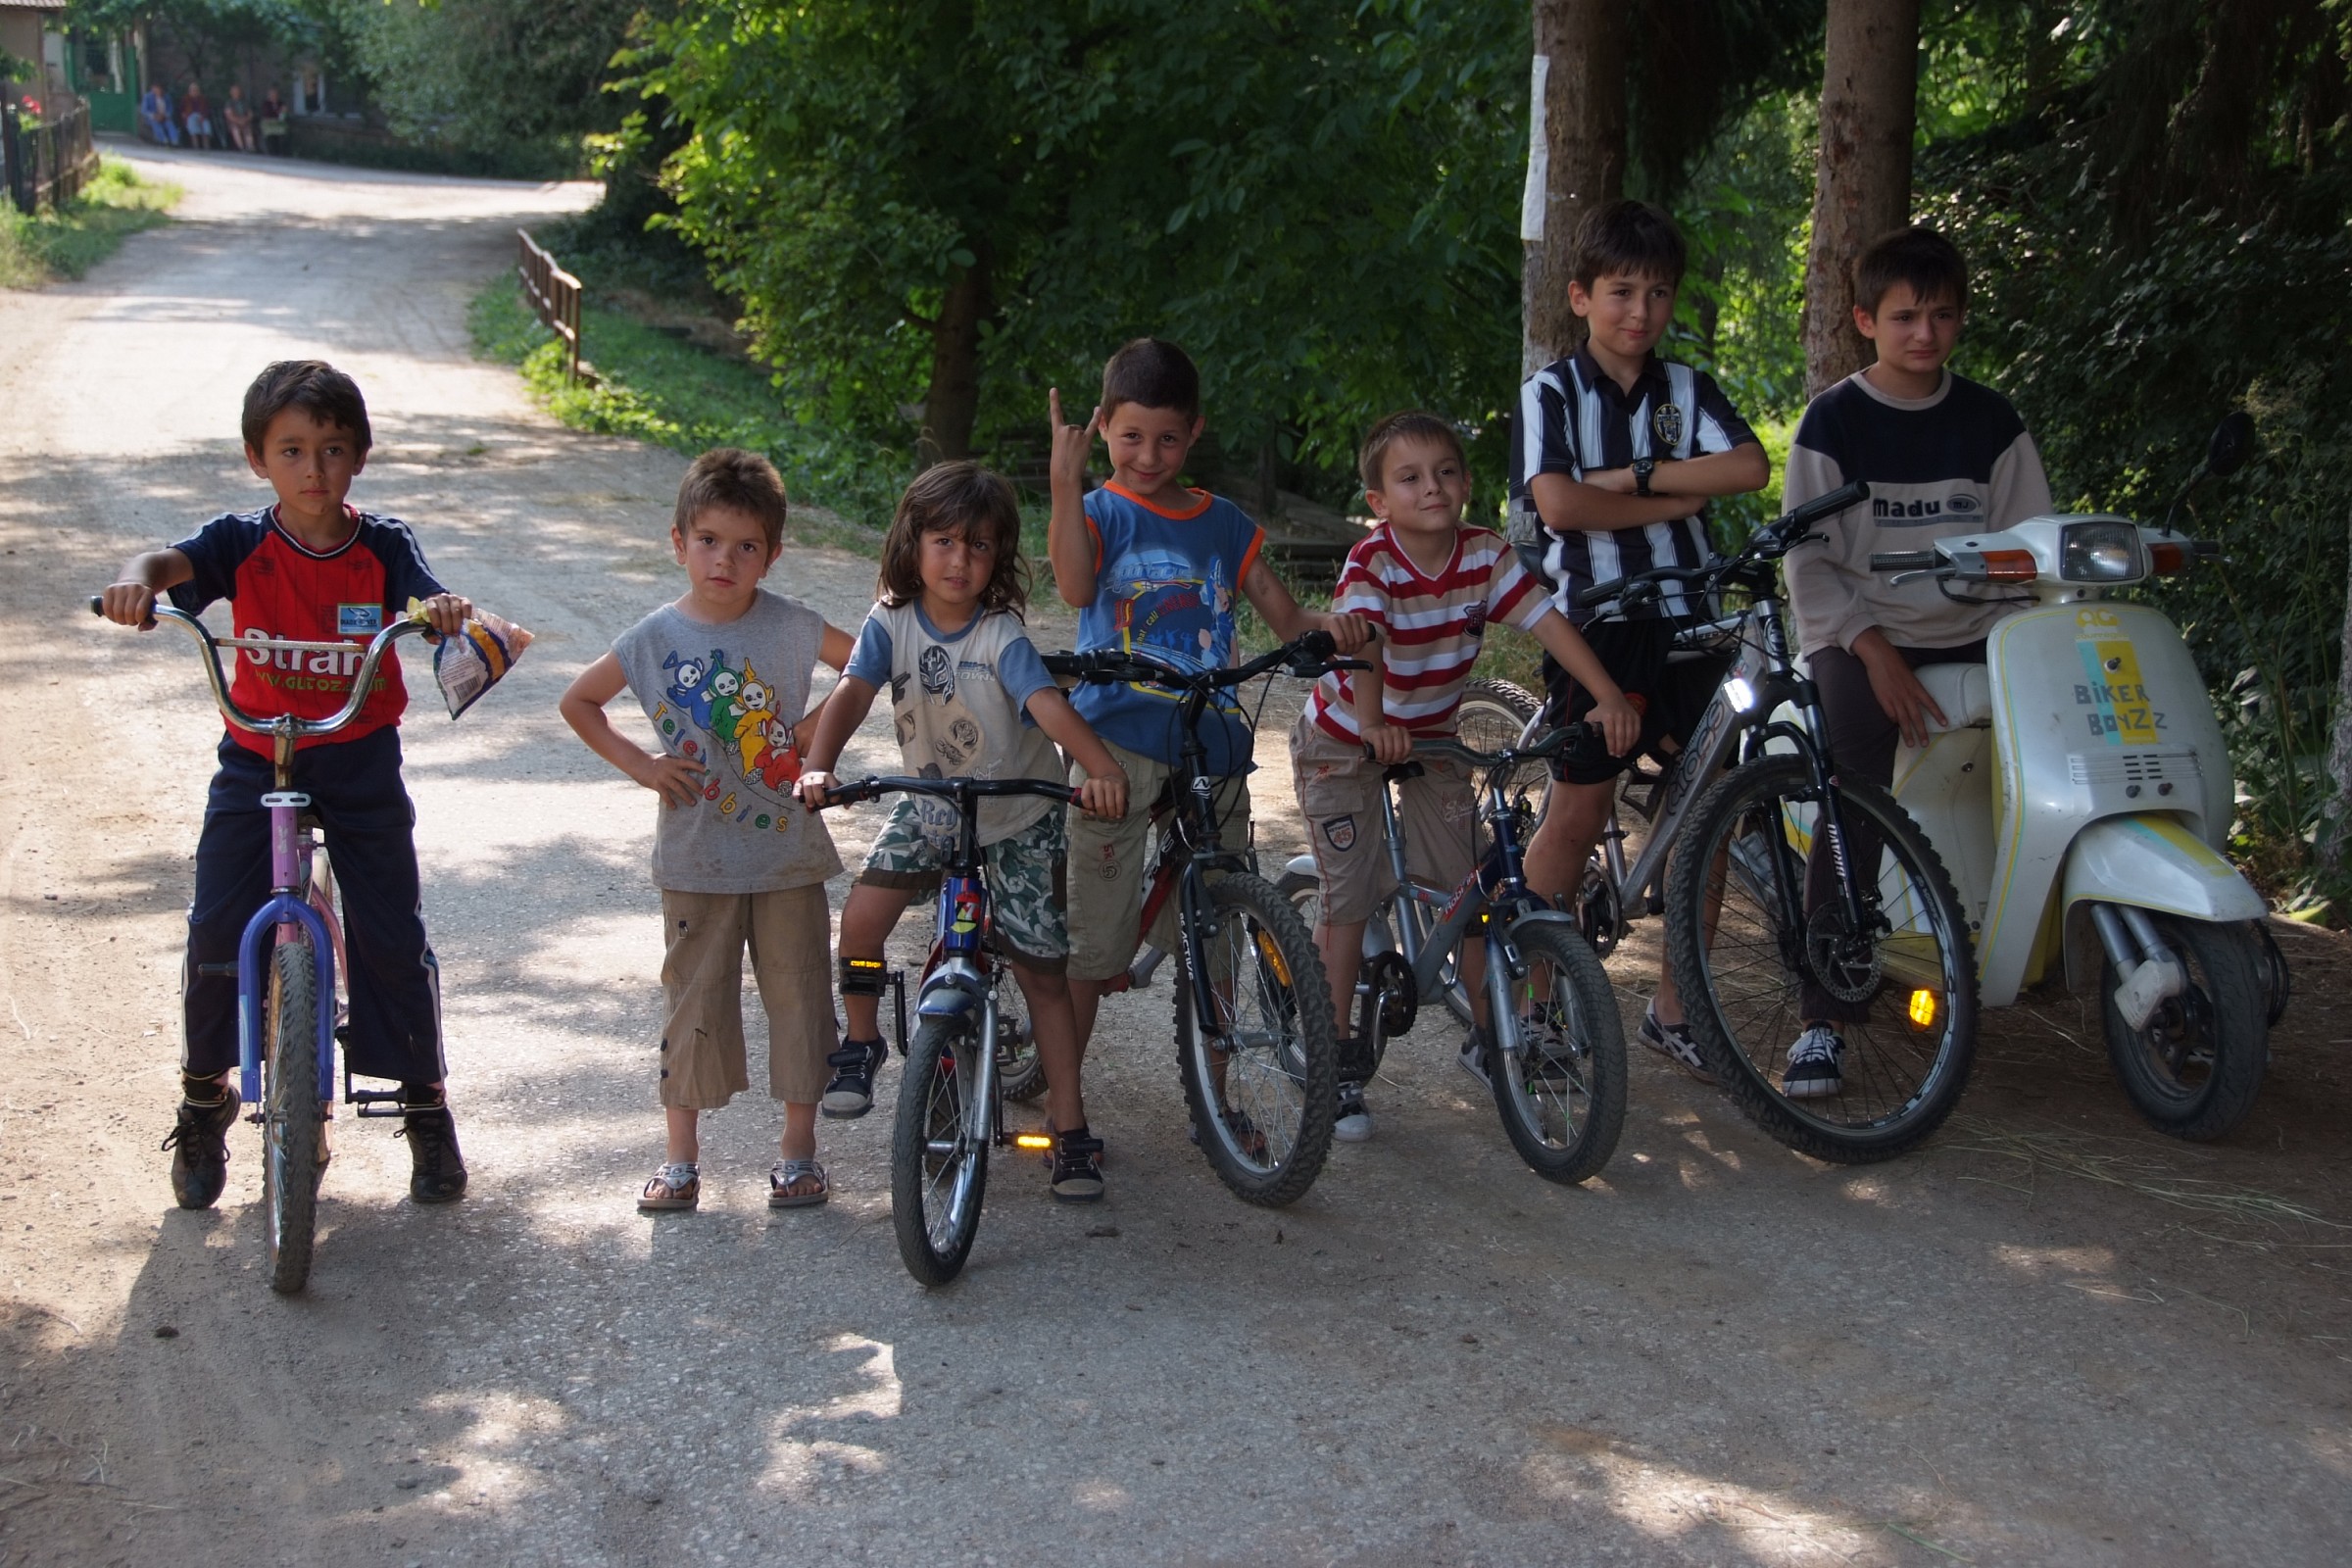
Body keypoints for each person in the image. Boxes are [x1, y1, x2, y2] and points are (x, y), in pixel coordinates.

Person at [99, 361, 477, 1208]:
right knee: (214, 924)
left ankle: (424, 1101)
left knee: (389, 928)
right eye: (293, 451)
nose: (315, 470)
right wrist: (136, 577)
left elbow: (424, 592)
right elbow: (169, 560)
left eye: (334, 450)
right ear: (256, 459)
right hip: (257, 753)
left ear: (360, 458)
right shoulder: (239, 542)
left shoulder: (381, 544)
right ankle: (205, 1096)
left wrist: (441, 609)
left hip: (357, 751)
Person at [1044, 339, 1373, 1115]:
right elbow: (1072, 585)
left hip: (1211, 743)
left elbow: (1285, 616)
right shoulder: (1099, 512)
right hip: (1114, 743)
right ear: (1103, 428)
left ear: (1194, 433)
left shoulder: (1225, 524)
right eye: (1129, 437)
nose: (1147, 454)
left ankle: (1216, 1101)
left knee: (1221, 926)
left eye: (1165, 438)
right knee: (1095, 941)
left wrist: (1336, 628)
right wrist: (1065, 484)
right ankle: (1066, 1106)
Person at [1295, 412, 1641, 1142]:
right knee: (1349, 899)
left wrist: (1606, 695)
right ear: (1379, 501)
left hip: (1432, 740)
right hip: (1345, 735)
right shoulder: (1373, 564)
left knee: (1472, 893)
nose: (1433, 489)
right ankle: (1333, 1060)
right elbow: (1363, 651)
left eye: (1446, 473)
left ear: (1467, 485)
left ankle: (1495, 1040)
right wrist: (1373, 723)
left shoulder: (1484, 555)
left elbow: (1547, 621)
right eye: (1410, 478)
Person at [793, 463, 1131, 1200]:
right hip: (933, 804)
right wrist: (820, 767)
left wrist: (1100, 769)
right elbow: (851, 693)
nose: (959, 560)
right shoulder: (891, 622)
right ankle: (861, 1042)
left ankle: (1068, 1126)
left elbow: (1046, 704)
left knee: (1044, 973)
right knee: (861, 919)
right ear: (911, 545)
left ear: (998, 557)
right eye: (943, 540)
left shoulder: (1000, 634)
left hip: (1017, 815)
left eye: (979, 546)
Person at [1778, 224, 2053, 1097]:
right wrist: (1875, 653)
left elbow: (2029, 549)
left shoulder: (1990, 421)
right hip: (1860, 632)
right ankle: (1825, 1014)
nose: (1923, 334)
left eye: (1940, 315)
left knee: (2061, 738)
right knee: (1851, 784)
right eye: (1904, 316)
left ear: (1961, 318)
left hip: (1979, 628)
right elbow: (1810, 560)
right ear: (1866, 320)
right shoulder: (1835, 421)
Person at [1506, 198, 1771, 1082]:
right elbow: (1558, 505)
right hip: (1598, 626)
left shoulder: (1685, 389)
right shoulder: (1549, 393)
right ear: (1579, 297)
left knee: (1709, 810)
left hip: (1693, 623)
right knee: (1579, 809)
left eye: (1657, 294)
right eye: (1621, 291)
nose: (1640, 312)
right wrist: (1672, 503)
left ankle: (1675, 1009)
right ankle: (1527, 1012)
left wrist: (1636, 475)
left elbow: (1746, 468)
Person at [559, 450, 857, 1213]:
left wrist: (811, 738)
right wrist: (643, 766)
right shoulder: (654, 637)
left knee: (800, 999)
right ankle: (681, 1160)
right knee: (692, 1003)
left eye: (746, 546)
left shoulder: (791, 625)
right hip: (696, 858)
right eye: (709, 541)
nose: (725, 559)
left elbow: (866, 667)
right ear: (679, 541)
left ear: (772, 554)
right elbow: (579, 702)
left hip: (788, 854)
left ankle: (798, 1155)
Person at [138, 82, 181, 147]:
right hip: (153, 117)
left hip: (164, 117)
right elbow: (144, 110)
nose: (157, 91)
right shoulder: (147, 97)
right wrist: (154, 115)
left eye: (159, 89)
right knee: (156, 123)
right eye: (155, 89)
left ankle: (174, 141)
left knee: (170, 124)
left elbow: (170, 109)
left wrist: (166, 115)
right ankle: (163, 141)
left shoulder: (166, 97)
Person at [179, 80, 214, 151]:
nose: (195, 92)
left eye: (196, 90)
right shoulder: (185, 99)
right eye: (193, 90)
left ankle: (206, 147)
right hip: (190, 116)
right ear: (189, 91)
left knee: (206, 124)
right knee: (192, 122)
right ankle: (196, 146)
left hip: (201, 116)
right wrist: (184, 115)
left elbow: (207, 110)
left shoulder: (203, 99)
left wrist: (203, 116)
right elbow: (181, 110)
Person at [222, 85, 257, 153]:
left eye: (237, 91)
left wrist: (245, 120)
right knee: (235, 129)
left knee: (248, 129)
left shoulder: (245, 102)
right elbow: (229, 115)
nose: (236, 93)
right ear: (231, 93)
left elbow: (250, 114)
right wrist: (238, 121)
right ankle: (241, 148)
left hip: (245, 121)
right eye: (234, 92)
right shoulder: (229, 103)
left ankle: (250, 147)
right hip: (234, 122)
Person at [258, 88, 288, 156]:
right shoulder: (266, 104)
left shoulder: (281, 103)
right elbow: (267, 114)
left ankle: (281, 152)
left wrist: (282, 113)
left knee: (283, 134)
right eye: (272, 95)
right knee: (270, 135)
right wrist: (279, 112)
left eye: (276, 95)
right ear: (269, 96)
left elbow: (282, 116)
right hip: (268, 123)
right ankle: (272, 152)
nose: (274, 97)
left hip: (278, 123)